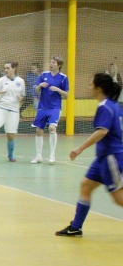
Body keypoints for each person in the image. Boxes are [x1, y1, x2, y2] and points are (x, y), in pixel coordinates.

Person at [56, 73, 123, 237]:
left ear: (98, 89)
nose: (89, 87)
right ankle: (76, 227)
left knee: (118, 198)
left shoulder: (105, 107)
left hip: (111, 158)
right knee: (86, 185)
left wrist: (79, 148)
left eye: (91, 85)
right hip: (102, 157)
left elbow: (102, 132)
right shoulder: (114, 105)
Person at [31, 56, 69, 164]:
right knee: (38, 130)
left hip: (55, 107)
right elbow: (36, 90)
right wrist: (40, 85)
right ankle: (38, 156)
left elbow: (66, 95)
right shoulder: (44, 75)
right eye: (51, 62)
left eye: (53, 62)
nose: (51, 64)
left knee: (52, 128)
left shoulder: (63, 78)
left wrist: (57, 89)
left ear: (59, 65)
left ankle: (52, 154)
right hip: (42, 107)